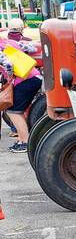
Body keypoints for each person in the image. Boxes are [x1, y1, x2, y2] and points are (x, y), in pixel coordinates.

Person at [1, 18, 43, 152]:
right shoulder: (10, 42)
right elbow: (31, 47)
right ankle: (21, 139)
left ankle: (25, 142)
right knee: (17, 110)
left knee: (13, 111)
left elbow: (7, 64)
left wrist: (9, 75)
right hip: (34, 77)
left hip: (25, 80)